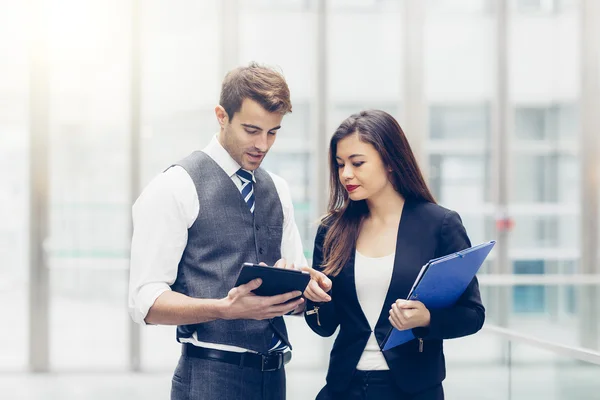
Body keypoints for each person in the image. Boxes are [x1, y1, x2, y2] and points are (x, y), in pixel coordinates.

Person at [128, 62, 330, 400]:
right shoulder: (175, 186)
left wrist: (304, 290)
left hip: (273, 378)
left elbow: (293, 295)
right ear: (222, 116)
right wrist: (224, 308)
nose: (262, 145)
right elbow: (144, 302)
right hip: (209, 379)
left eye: (273, 132)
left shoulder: (277, 189)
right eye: (251, 130)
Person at [304, 110, 485, 400]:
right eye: (340, 164)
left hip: (413, 390)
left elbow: (473, 315)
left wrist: (427, 319)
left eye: (357, 163)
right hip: (344, 388)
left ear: (389, 162)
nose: (345, 174)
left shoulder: (439, 225)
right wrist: (314, 298)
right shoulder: (332, 230)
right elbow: (323, 327)